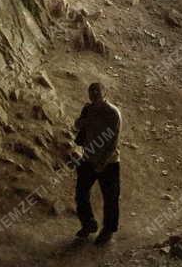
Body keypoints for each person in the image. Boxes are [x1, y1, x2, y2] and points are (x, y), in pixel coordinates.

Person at [73, 82, 122, 245]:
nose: (93, 93)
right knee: (81, 194)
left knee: (110, 198)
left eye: (97, 90)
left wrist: (102, 162)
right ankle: (88, 224)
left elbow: (113, 141)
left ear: (104, 92)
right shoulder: (88, 109)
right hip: (88, 159)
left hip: (109, 163)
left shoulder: (112, 112)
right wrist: (82, 121)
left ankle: (108, 230)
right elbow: (77, 127)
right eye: (91, 90)